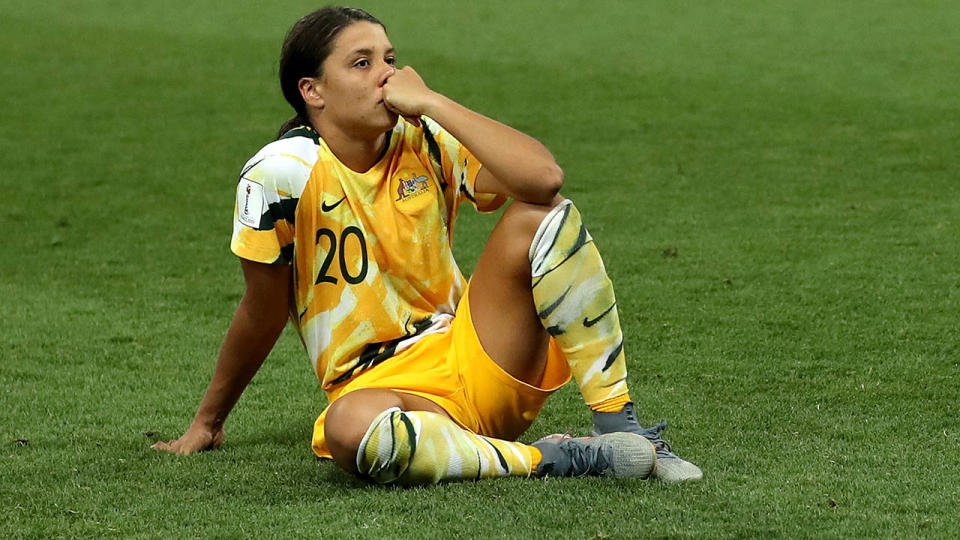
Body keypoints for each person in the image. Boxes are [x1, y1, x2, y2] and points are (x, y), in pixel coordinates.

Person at [153, 6, 702, 485]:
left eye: (389, 60)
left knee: (540, 217)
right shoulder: (280, 174)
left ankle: (619, 424)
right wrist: (208, 422)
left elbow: (543, 178)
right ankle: (557, 458)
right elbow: (262, 309)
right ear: (312, 91)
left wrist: (434, 103)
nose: (386, 76)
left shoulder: (423, 138)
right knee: (348, 427)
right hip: (386, 393)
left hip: (477, 352)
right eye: (361, 63)